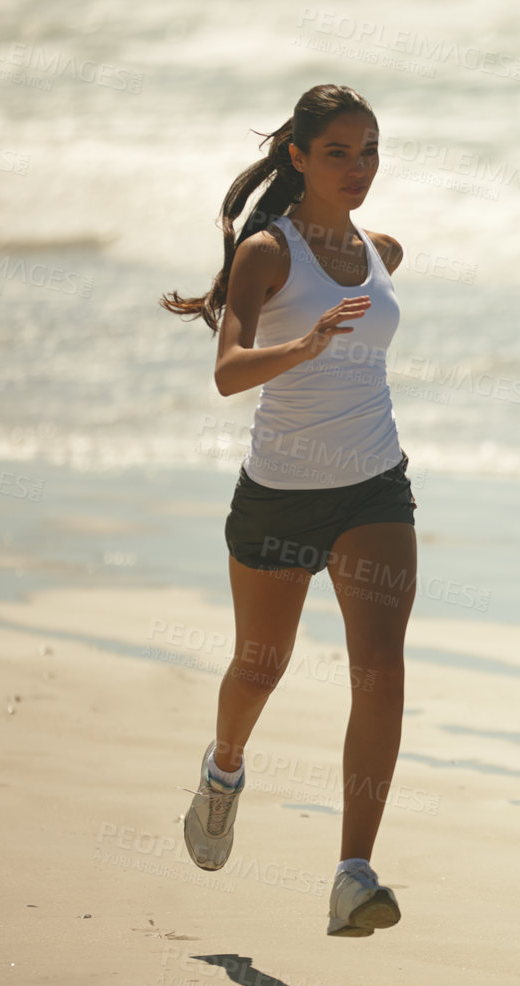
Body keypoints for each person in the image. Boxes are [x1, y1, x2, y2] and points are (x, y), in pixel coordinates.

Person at [160, 83, 414, 937]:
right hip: (277, 496)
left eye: (370, 150)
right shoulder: (267, 254)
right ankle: (224, 769)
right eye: (339, 151)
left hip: (375, 485)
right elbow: (228, 372)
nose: (358, 168)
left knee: (380, 666)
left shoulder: (382, 249)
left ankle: (352, 872)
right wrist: (302, 346)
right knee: (260, 667)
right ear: (297, 157)